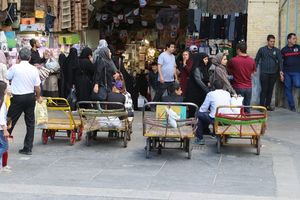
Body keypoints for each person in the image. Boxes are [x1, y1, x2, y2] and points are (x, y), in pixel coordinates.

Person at [6, 48, 43, 155]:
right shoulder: (34, 69)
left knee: (9, 121)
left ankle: (2, 142)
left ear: (19, 57)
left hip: (17, 98)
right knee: (30, 123)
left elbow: (7, 77)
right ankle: (28, 148)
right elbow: (37, 87)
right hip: (30, 97)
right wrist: (38, 96)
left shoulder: (15, 67)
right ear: (30, 58)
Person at [195, 80, 232, 145]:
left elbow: (203, 109)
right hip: (227, 118)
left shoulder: (210, 94)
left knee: (199, 115)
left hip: (215, 119)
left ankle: (199, 138)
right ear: (223, 87)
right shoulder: (227, 93)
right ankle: (216, 134)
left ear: (213, 87)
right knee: (210, 115)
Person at [255, 34, 283, 111]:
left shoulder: (277, 51)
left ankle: (267, 106)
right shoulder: (262, 50)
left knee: (270, 90)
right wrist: (254, 69)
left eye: (274, 41)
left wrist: (281, 72)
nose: (272, 43)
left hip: (273, 73)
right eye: (271, 41)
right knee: (264, 90)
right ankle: (261, 107)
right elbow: (256, 60)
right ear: (267, 41)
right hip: (264, 73)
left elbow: (280, 61)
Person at [228, 42, 256, 112]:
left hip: (238, 87)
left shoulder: (233, 60)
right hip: (249, 87)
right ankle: (246, 121)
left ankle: (239, 122)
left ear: (238, 50)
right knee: (247, 108)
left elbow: (228, 70)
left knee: (238, 109)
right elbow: (253, 71)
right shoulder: (252, 60)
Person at [185, 53, 210, 117]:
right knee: (194, 108)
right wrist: (207, 90)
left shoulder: (204, 68)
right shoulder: (196, 69)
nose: (207, 60)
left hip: (200, 92)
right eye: (205, 59)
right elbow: (199, 81)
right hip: (194, 92)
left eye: (207, 59)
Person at [281, 33, 300, 112]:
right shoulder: (283, 50)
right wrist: (281, 73)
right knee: (287, 89)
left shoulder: (298, 48)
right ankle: (292, 106)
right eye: (293, 38)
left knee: (297, 84)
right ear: (289, 40)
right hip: (287, 72)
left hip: (296, 71)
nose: (295, 40)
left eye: (295, 38)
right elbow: (281, 62)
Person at [0, 81, 10, 173]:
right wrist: (5, 130)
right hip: (1, 128)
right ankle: (3, 165)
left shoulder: (3, 99)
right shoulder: (1, 102)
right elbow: (1, 118)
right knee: (5, 146)